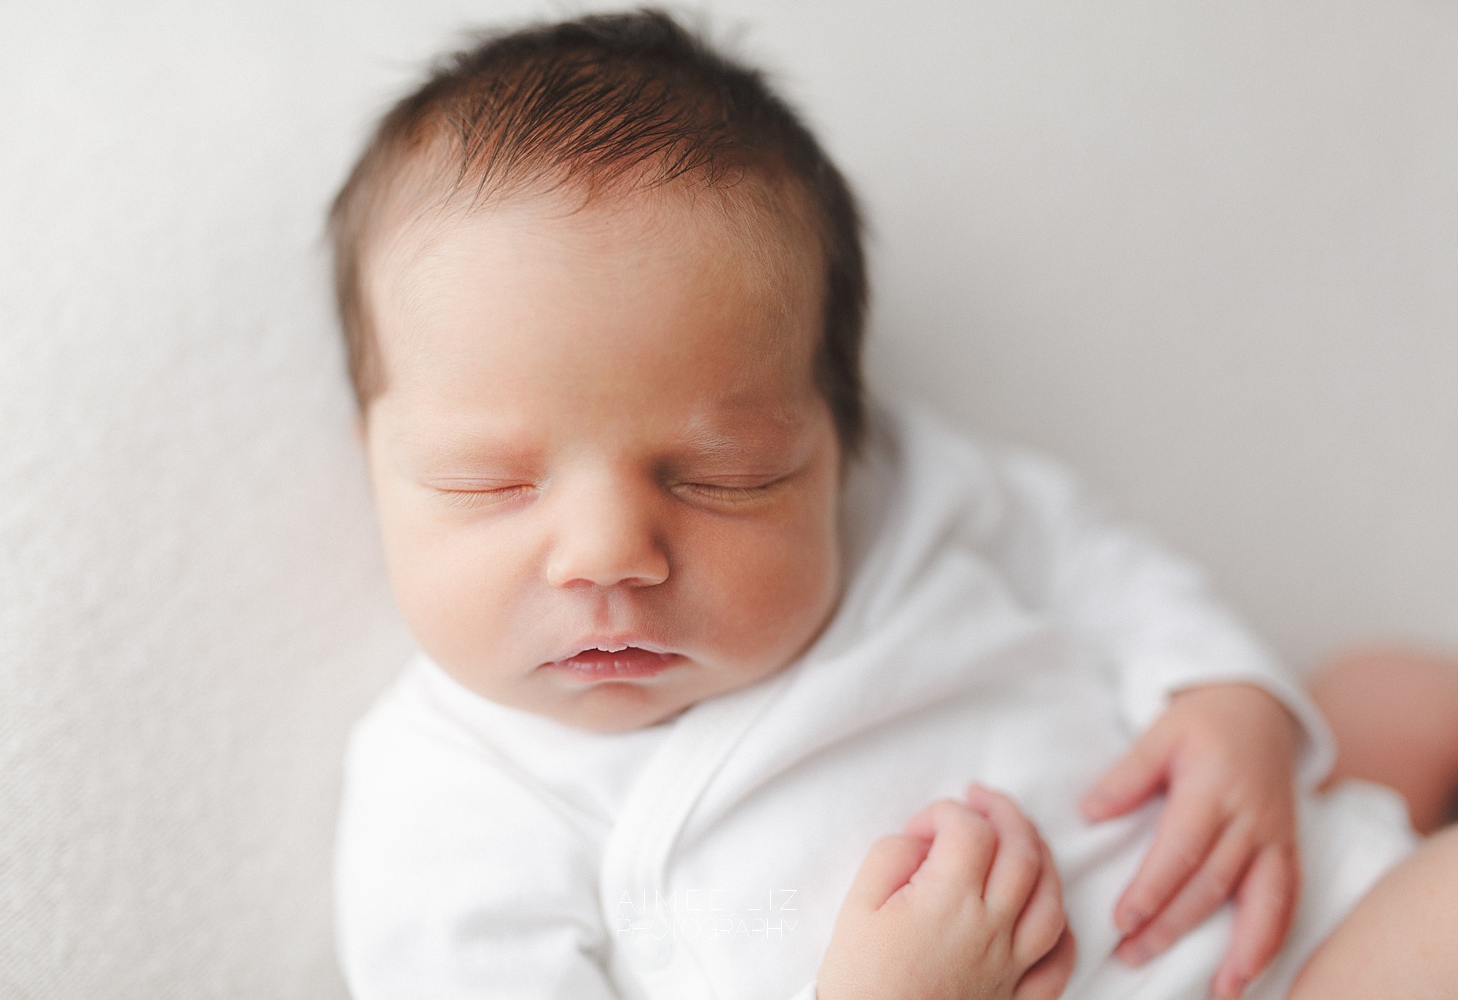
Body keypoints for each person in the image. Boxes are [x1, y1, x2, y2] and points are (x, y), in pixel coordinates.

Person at [325, 10, 1458, 999]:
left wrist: (1223, 694)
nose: (610, 553)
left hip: (1266, 867)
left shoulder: (900, 491)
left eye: (726, 476)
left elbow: (1083, 556)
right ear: (373, 455)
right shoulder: (449, 816)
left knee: (1389, 689)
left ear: (833, 438)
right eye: (491, 484)